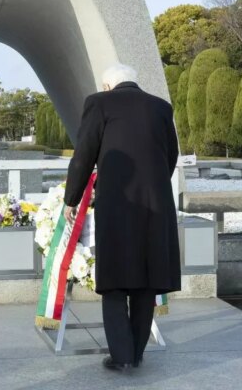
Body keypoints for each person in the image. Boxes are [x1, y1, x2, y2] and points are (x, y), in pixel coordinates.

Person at [64, 63, 180, 372]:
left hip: (116, 205)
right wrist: (153, 184)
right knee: (146, 281)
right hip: (156, 207)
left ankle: (122, 356)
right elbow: (171, 155)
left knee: (114, 281)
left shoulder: (99, 103)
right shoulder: (161, 107)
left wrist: (71, 199)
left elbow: (84, 154)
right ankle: (137, 354)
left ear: (107, 85)